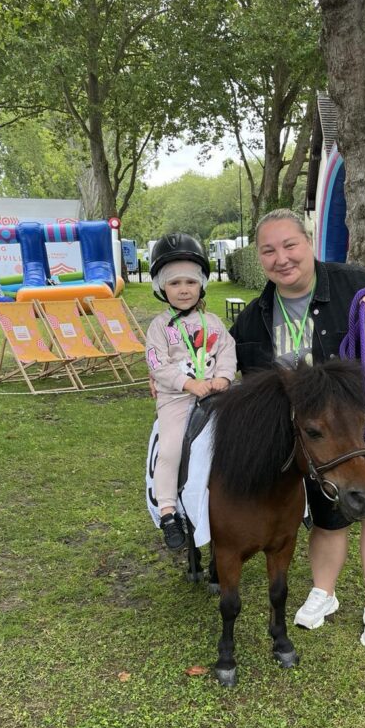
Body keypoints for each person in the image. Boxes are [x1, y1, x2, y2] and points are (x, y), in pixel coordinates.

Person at [230, 208, 365, 648]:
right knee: (327, 516)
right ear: (259, 258)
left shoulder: (358, 285)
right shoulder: (254, 318)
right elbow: (241, 377)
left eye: (290, 245)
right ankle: (324, 592)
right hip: (317, 442)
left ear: (309, 244)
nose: (281, 258)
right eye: (268, 250)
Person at [146, 233, 237, 550]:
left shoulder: (213, 322)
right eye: (174, 283)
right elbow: (157, 363)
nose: (183, 289)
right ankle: (169, 511)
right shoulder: (159, 327)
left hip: (216, 396)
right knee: (170, 449)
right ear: (161, 288)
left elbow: (227, 351)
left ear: (201, 285)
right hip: (177, 399)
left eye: (190, 282)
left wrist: (224, 378)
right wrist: (188, 384)